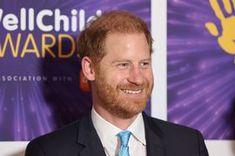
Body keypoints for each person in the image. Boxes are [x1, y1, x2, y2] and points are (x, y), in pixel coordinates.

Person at [25, 10, 209, 156]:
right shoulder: (48, 151)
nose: (137, 78)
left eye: (144, 64)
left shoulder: (189, 145)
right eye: (123, 65)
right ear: (90, 69)